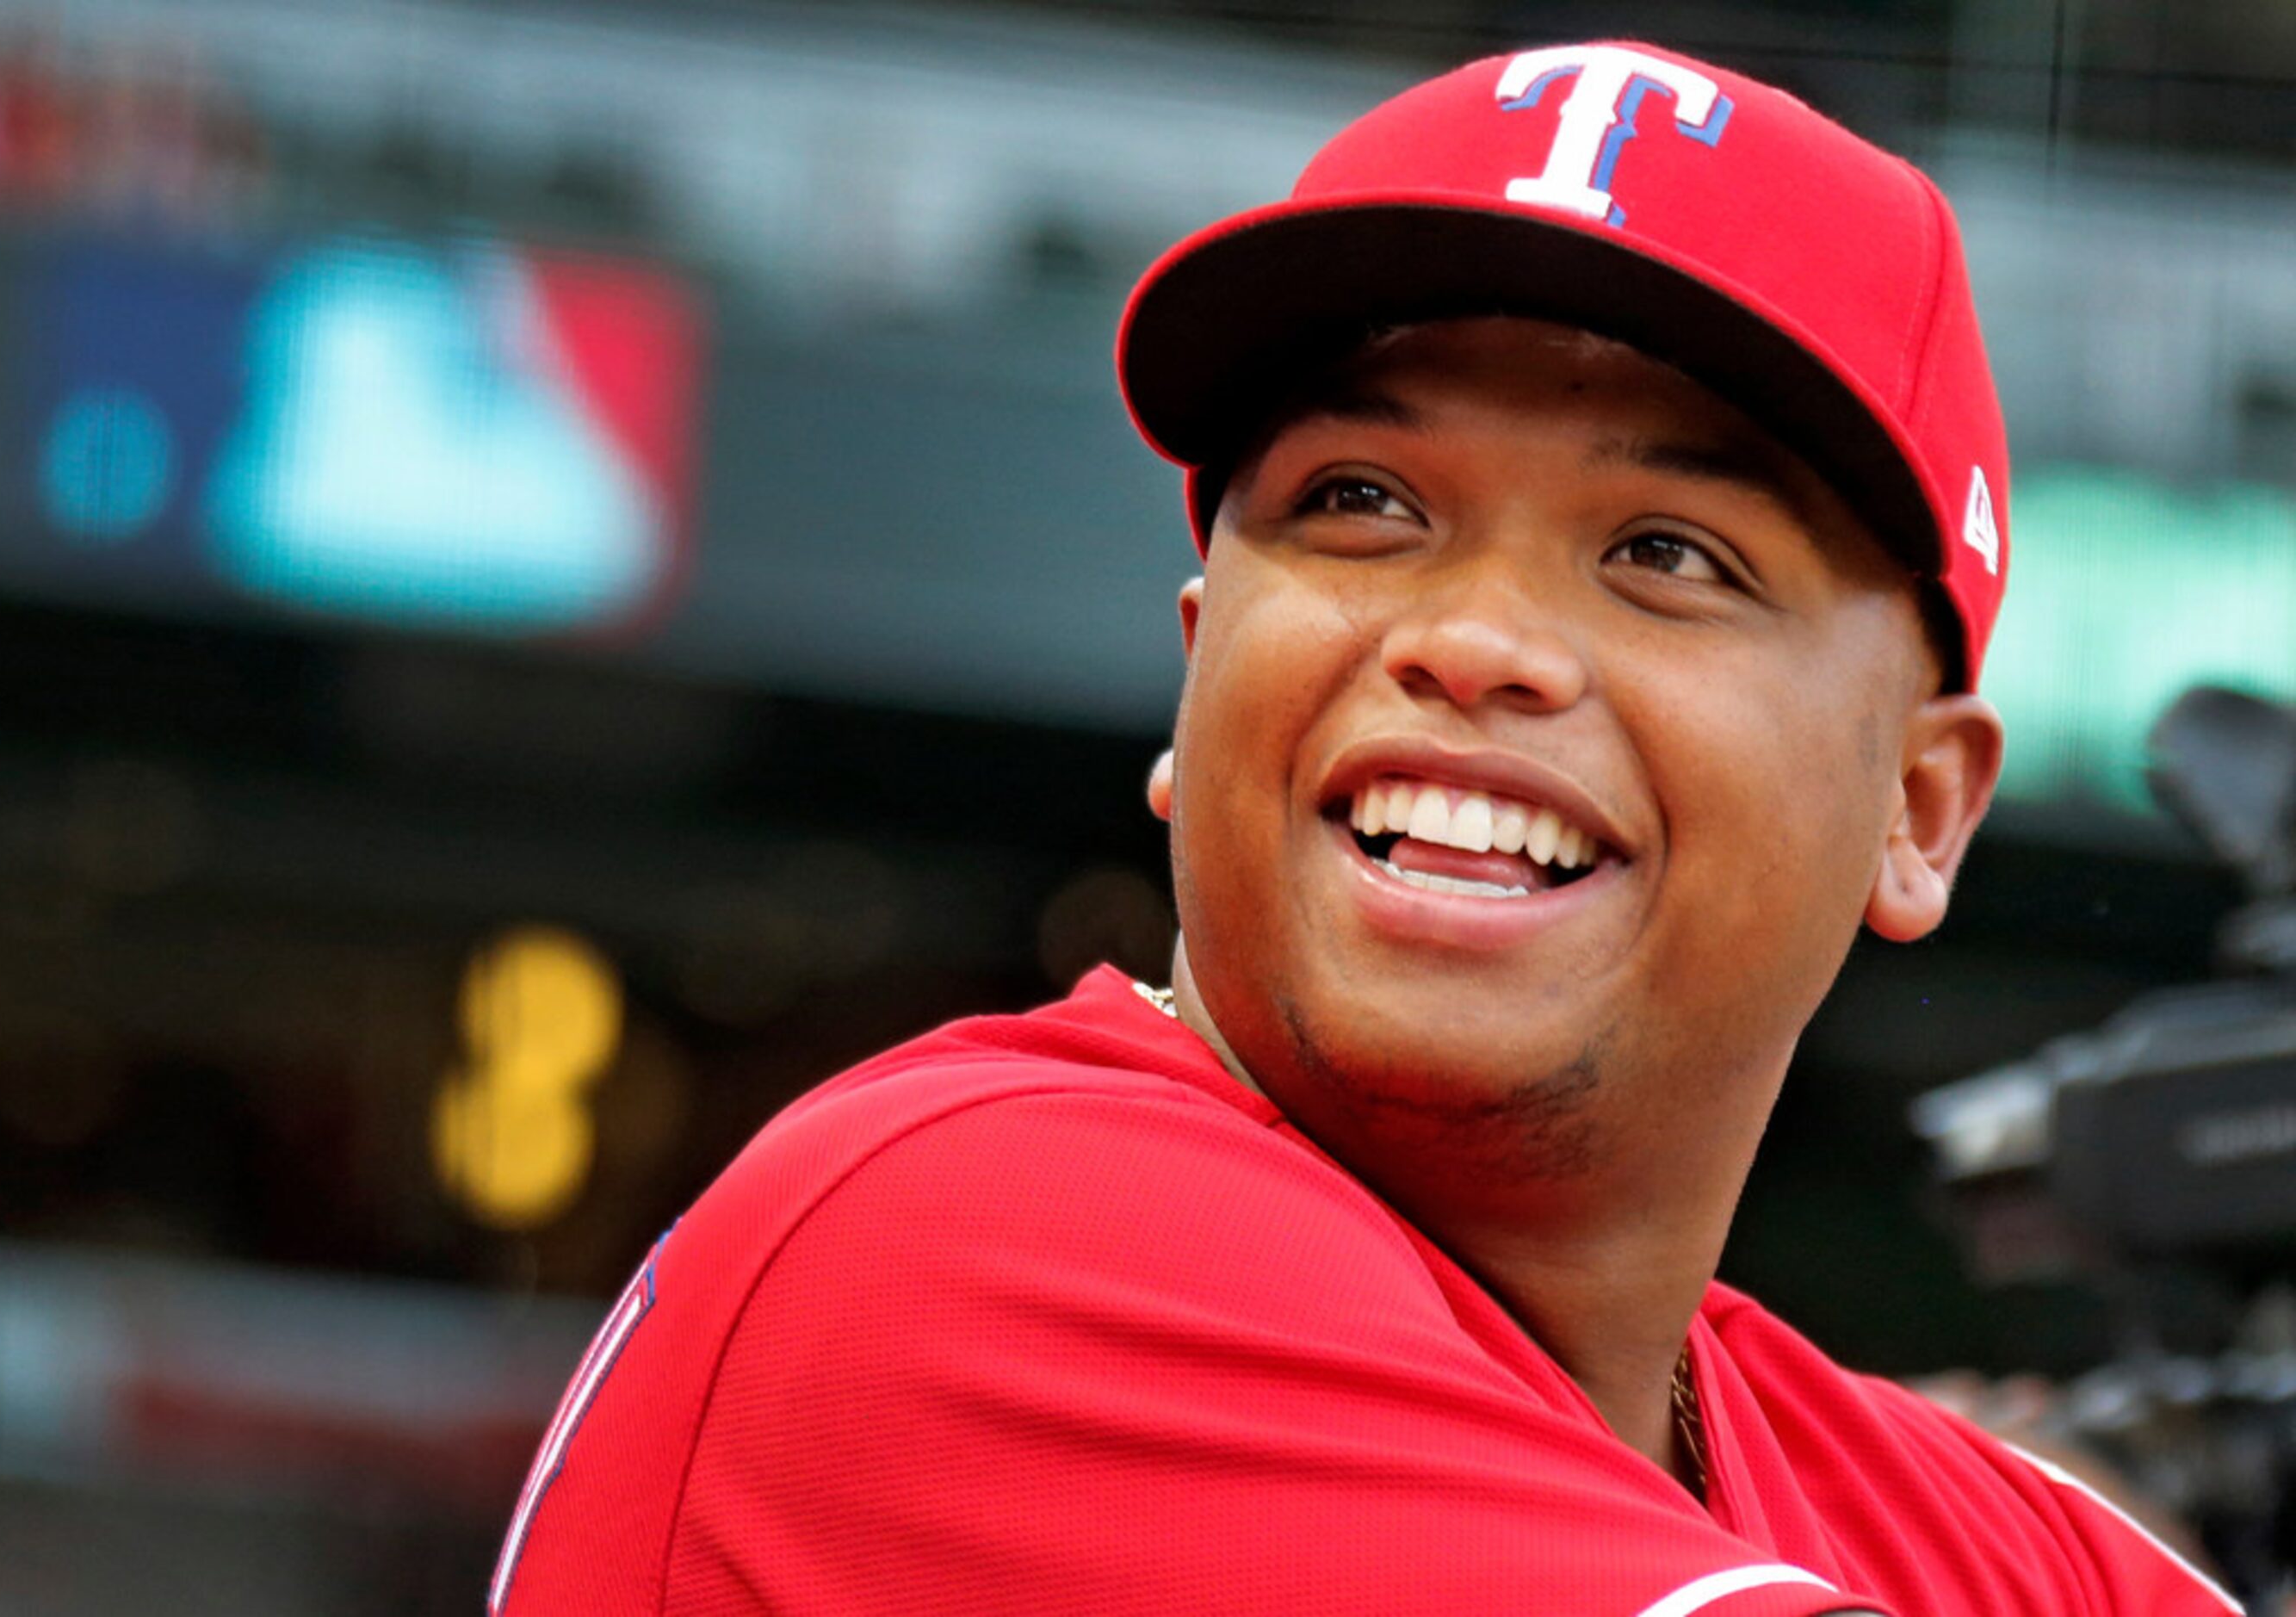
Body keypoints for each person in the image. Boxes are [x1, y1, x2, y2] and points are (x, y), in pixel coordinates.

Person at [487, 41, 2242, 1616]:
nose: (1470, 641)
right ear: (1196, 683)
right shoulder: (957, 1236)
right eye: (1363, 504)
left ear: (1919, 813)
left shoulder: (1948, 1525)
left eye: (1667, 555)